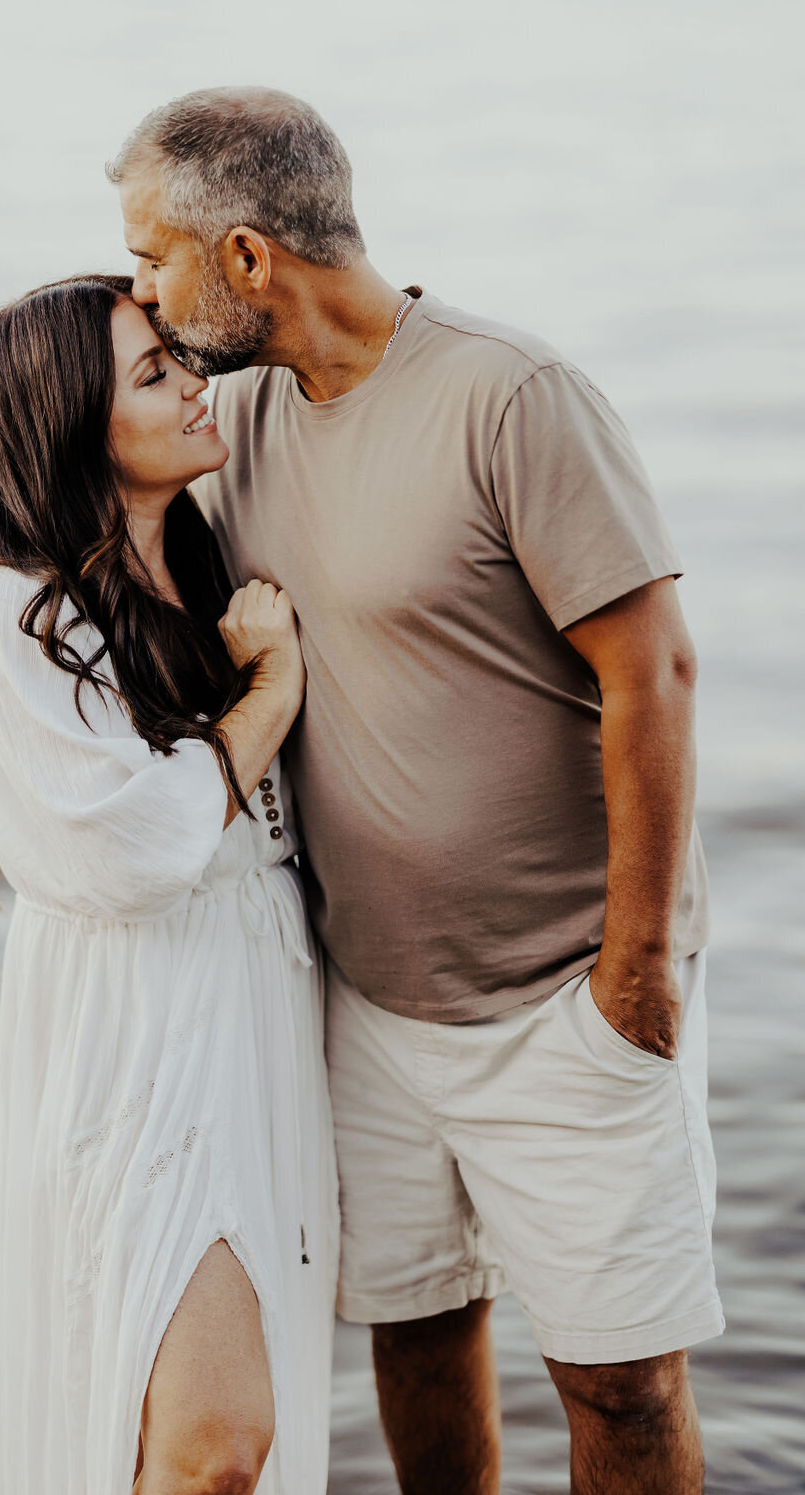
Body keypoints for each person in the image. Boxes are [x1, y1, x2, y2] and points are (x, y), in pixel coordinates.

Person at [108, 88, 725, 1495]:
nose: (142, 291)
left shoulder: (511, 394)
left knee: (619, 1387)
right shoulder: (234, 422)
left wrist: (636, 975)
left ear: (249, 256)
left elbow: (658, 677)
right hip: (367, 1005)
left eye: (154, 256)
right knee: (417, 1337)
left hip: (570, 993)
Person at [0, 273, 338, 1495]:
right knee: (210, 1443)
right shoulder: (19, 618)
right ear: (71, 425)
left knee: (222, 1433)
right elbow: (135, 850)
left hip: (256, 1005)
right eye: (153, 375)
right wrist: (267, 696)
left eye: (183, 361)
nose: (193, 386)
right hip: (137, 1024)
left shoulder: (217, 567)